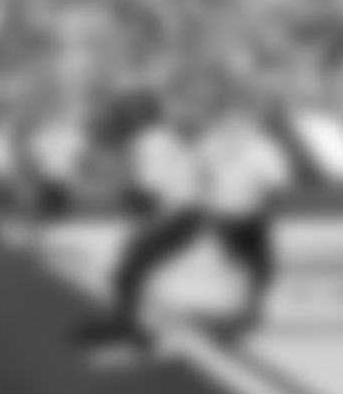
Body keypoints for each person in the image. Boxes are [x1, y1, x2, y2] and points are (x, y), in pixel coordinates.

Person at [80, 89, 203, 365]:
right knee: (129, 272)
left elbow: (151, 195)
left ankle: (141, 337)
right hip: (181, 213)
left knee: (130, 274)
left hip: (176, 215)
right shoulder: (157, 138)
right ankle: (125, 326)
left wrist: (117, 193)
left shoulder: (148, 142)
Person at [194, 107, 292, 344]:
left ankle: (241, 309)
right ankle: (244, 310)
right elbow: (274, 183)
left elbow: (202, 175)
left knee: (239, 264)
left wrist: (208, 202)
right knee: (256, 266)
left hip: (229, 212)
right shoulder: (260, 148)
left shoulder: (213, 144)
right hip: (246, 213)